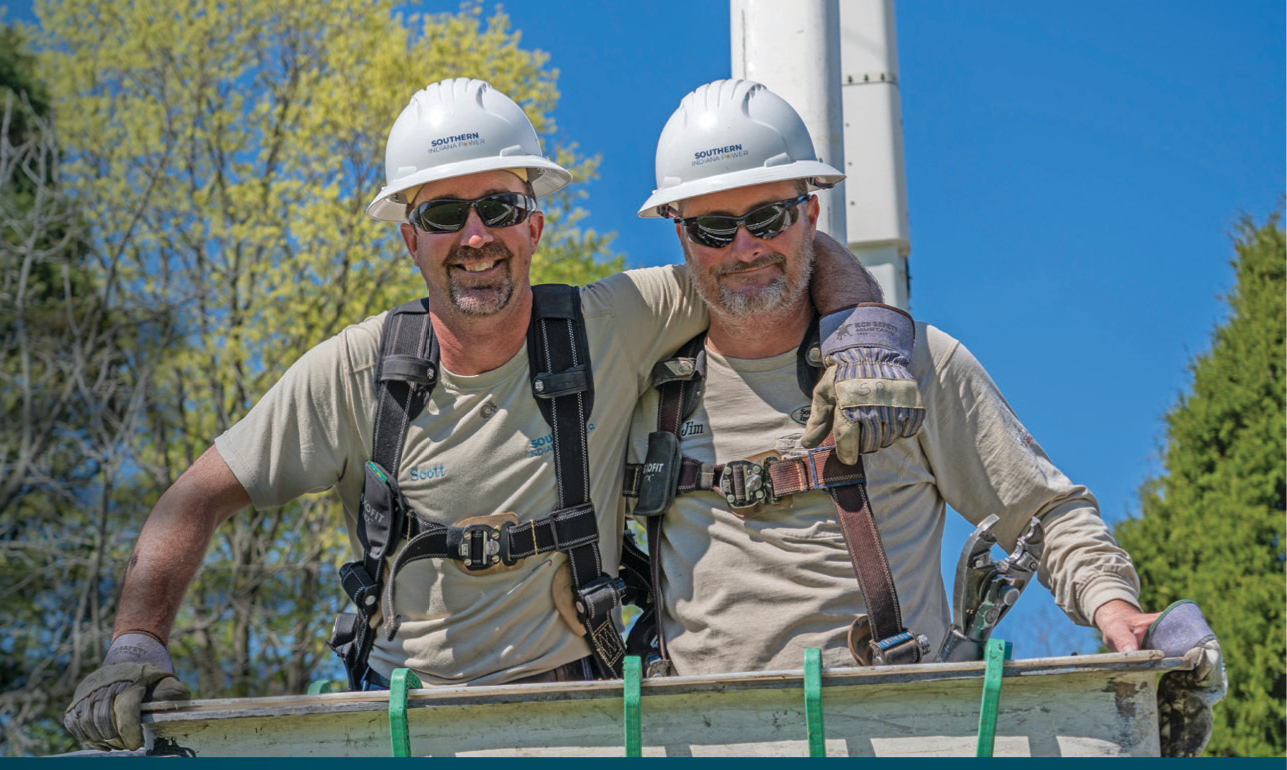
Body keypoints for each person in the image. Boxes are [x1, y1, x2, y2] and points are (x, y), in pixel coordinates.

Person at [62, 78, 897, 751]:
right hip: (403, 726)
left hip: (582, 723)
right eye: (441, 213)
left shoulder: (611, 324)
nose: (474, 236)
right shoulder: (358, 372)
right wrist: (136, 645)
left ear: (533, 222)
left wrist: (864, 333)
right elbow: (193, 499)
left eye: (497, 207)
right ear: (409, 239)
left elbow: (760, 246)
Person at [622, 79, 1159, 676]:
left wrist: (1113, 604)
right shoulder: (646, 390)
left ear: (812, 213)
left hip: (886, 729)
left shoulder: (916, 367)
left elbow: (1044, 513)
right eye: (714, 229)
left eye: (769, 218)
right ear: (682, 236)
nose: (745, 248)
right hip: (700, 740)